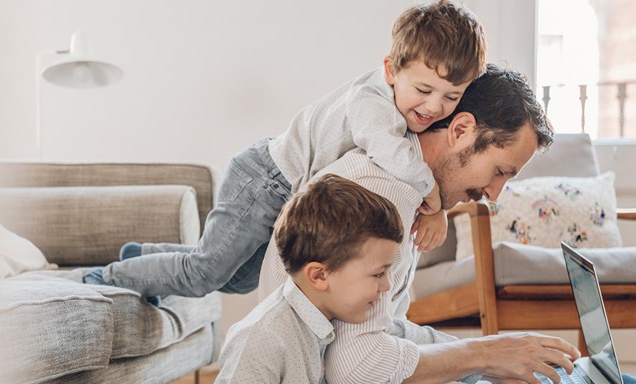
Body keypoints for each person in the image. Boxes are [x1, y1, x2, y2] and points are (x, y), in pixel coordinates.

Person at [257, 64, 636, 384]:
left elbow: (388, 329)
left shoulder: (410, 194)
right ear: (460, 130)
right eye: (500, 171)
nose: (495, 193)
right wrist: (484, 355)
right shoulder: (379, 195)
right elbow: (355, 369)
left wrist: (490, 362)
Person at [83, 0, 487, 297]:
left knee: (240, 279)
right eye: (423, 90)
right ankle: (110, 277)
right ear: (390, 71)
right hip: (262, 180)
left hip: (286, 194)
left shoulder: (416, 113)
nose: (434, 107)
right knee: (205, 273)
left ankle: (142, 254)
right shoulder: (371, 102)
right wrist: (436, 204)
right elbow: (394, 154)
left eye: (451, 97)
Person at [204, 174, 404, 384]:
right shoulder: (262, 338)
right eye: (378, 274)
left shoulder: (330, 317)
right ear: (319, 276)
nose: (386, 286)